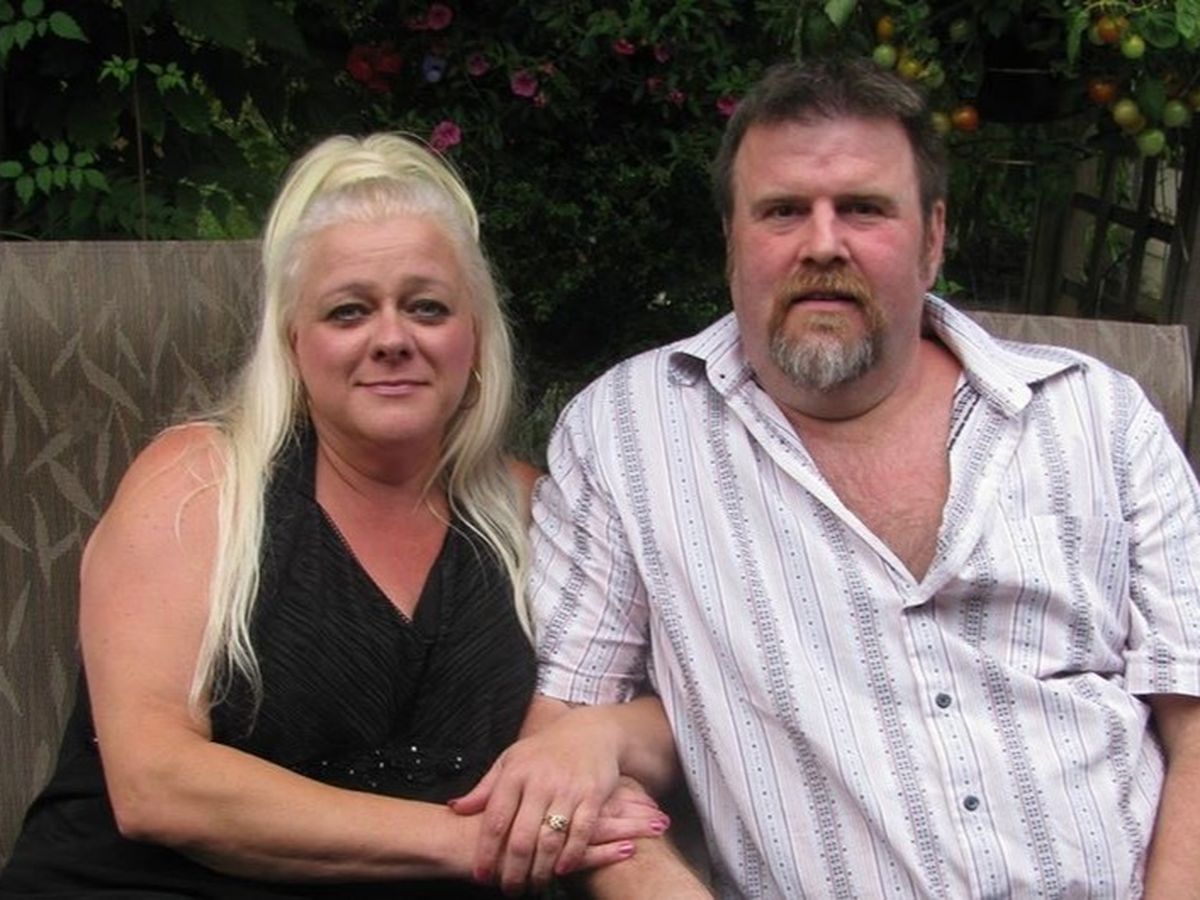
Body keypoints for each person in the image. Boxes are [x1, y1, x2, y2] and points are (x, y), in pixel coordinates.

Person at [467, 57, 1200, 897]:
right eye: (783, 211)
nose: (822, 245)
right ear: (732, 240)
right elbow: (569, 739)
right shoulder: (627, 435)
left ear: (932, 237)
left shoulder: (1097, 416)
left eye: (863, 208)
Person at [0, 133, 667, 897]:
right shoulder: (199, 484)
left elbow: (680, 703)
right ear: (293, 343)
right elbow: (156, 783)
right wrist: (474, 841)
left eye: (427, 307)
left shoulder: (531, 514)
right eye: (349, 312)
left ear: (476, 336)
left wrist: (599, 737)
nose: (392, 339)